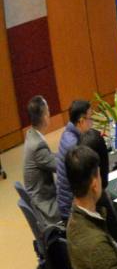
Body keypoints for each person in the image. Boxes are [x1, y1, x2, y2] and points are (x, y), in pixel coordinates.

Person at [52, 99, 96, 222]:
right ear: (81, 121)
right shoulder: (74, 146)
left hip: (64, 202)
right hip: (71, 210)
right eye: (90, 118)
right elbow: (86, 181)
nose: (92, 123)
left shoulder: (67, 133)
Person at [20, 95, 60, 228]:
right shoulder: (37, 145)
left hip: (41, 198)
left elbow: (50, 157)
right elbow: (61, 167)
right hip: (46, 206)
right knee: (81, 199)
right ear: (45, 117)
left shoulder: (32, 134)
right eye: (48, 111)